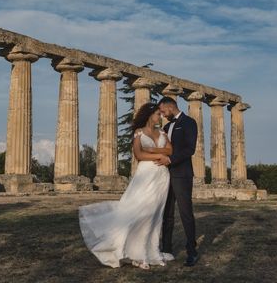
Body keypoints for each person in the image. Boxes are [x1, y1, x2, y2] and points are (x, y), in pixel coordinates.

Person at [78, 102, 175, 269]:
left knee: (155, 215)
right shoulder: (139, 133)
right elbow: (138, 154)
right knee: (141, 212)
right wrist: (158, 155)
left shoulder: (162, 132)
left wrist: (153, 151)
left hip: (161, 177)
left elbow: (170, 150)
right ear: (150, 115)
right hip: (146, 175)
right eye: (158, 114)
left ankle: (152, 251)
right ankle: (137, 254)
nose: (161, 116)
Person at [154, 96, 199, 267]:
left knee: (185, 213)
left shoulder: (189, 122)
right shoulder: (166, 126)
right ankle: (166, 249)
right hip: (165, 176)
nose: (163, 115)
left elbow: (190, 149)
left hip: (182, 174)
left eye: (163, 111)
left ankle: (192, 251)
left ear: (170, 106)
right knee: (167, 214)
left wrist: (171, 160)